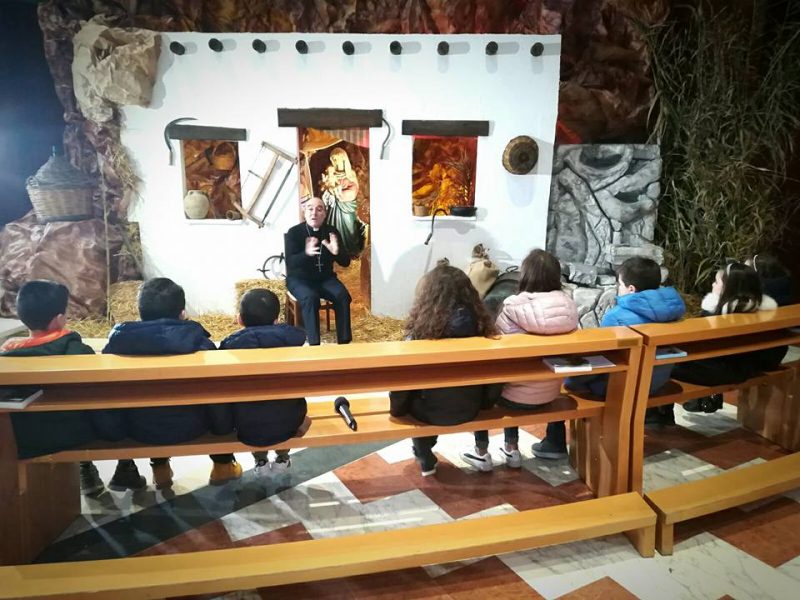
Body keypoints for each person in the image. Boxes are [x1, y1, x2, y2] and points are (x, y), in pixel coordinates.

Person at [0, 280, 145, 495]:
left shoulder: (7, 356)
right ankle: (124, 466)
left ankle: (87, 471)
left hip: (26, 440)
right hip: (76, 434)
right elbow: (100, 402)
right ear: (59, 319)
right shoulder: (78, 352)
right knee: (115, 407)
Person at [534, 257, 686, 459]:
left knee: (564, 381)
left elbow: (601, 361)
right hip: (657, 380)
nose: (617, 289)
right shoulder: (673, 310)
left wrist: (571, 380)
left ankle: (554, 443)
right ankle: (656, 415)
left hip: (620, 387)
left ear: (630, 289)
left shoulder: (617, 317)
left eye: (619, 284)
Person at [103, 277, 240, 488]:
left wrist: (115, 434)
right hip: (193, 426)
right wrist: (223, 432)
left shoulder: (117, 346)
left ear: (139, 312)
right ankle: (223, 466)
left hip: (139, 429)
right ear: (182, 313)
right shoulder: (201, 345)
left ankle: (160, 469)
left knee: (152, 401)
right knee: (214, 401)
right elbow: (217, 398)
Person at [460, 249, 578, 471]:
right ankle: (511, 449)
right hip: (551, 392)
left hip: (513, 397)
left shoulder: (513, 306)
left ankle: (485, 451)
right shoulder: (568, 307)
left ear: (525, 275)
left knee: (487, 378)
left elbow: (497, 354)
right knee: (518, 374)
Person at [389, 264, 499, 476]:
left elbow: (405, 379)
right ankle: (481, 448)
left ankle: (425, 455)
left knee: (417, 393)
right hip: (471, 406)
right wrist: (486, 403)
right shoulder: (480, 326)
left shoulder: (421, 331)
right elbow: (493, 374)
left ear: (429, 295)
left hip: (430, 412)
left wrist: (398, 409)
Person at [219, 289, 311, 477]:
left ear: (239, 320)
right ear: (276, 320)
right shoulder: (292, 341)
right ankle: (283, 457)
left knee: (254, 410)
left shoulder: (230, 347)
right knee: (282, 406)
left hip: (247, 425)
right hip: (289, 422)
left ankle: (260, 459)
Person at [676, 261, 781, 413]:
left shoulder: (717, 316)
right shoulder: (763, 311)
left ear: (728, 288)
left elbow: (696, 347)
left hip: (726, 372)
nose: (713, 285)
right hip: (748, 367)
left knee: (663, 365)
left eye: (717, 282)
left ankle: (659, 416)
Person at [284, 196, 352, 346]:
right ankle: (314, 345)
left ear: (325, 214)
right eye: (310, 209)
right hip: (299, 280)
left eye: (319, 209)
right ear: (304, 212)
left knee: (342, 296)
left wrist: (336, 252)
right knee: (310, 298)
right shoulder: (294, 232)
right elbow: (290, 263)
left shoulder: (331, 232)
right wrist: (306, 254)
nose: (314, 213)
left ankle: (345, 343)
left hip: (325, 279)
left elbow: (346, 262)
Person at [323, 147, 365, 258]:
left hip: (346, 207)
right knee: (333, 227)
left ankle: (350, 251)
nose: (336, 162)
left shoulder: (350, 173)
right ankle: (335, 251)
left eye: (338, 159)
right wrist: (330, 189)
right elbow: (328, 187)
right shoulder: (332, 173)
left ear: (344, 160)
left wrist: (341, 193)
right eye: (334, 160)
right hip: (334, 208)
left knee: (350, 229)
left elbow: (354, 189)